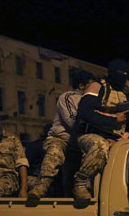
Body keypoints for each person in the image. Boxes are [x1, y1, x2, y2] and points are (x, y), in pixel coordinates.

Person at [27, 72, 94, 200]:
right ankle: (41, 186)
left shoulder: (94, 100)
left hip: (80, 141)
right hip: (63, 139)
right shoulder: (69, 97)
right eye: (91, 85)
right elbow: (72, 120)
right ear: (81, 86)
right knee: (54, 153)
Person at [72, 68, 129, 201]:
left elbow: (128, 126)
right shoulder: (97, 87)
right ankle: (81, 183)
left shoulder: (122, 94)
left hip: (115, 137)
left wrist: (121, 140)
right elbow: (85, 112)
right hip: (90, 134)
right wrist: (113, 119)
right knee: (100, 145)